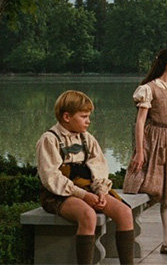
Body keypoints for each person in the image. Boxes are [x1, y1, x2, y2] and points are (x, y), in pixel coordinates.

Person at [36, 90, 134, 265]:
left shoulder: (87, 138)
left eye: (89, 116)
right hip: (59, 194)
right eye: (84, 117)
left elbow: (99, 167)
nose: (88, 121)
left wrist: (100, 191)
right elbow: (51, 178)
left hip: (88, 189)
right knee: (88, 215)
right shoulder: (49, 139)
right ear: (67, 117)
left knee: (125, 212)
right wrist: (83, 195)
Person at [125, 48, 167, 257]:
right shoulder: (149, 89)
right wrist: (140, 151)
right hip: (155, 142)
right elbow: (140, 122)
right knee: (146, 184)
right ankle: (124, 224)